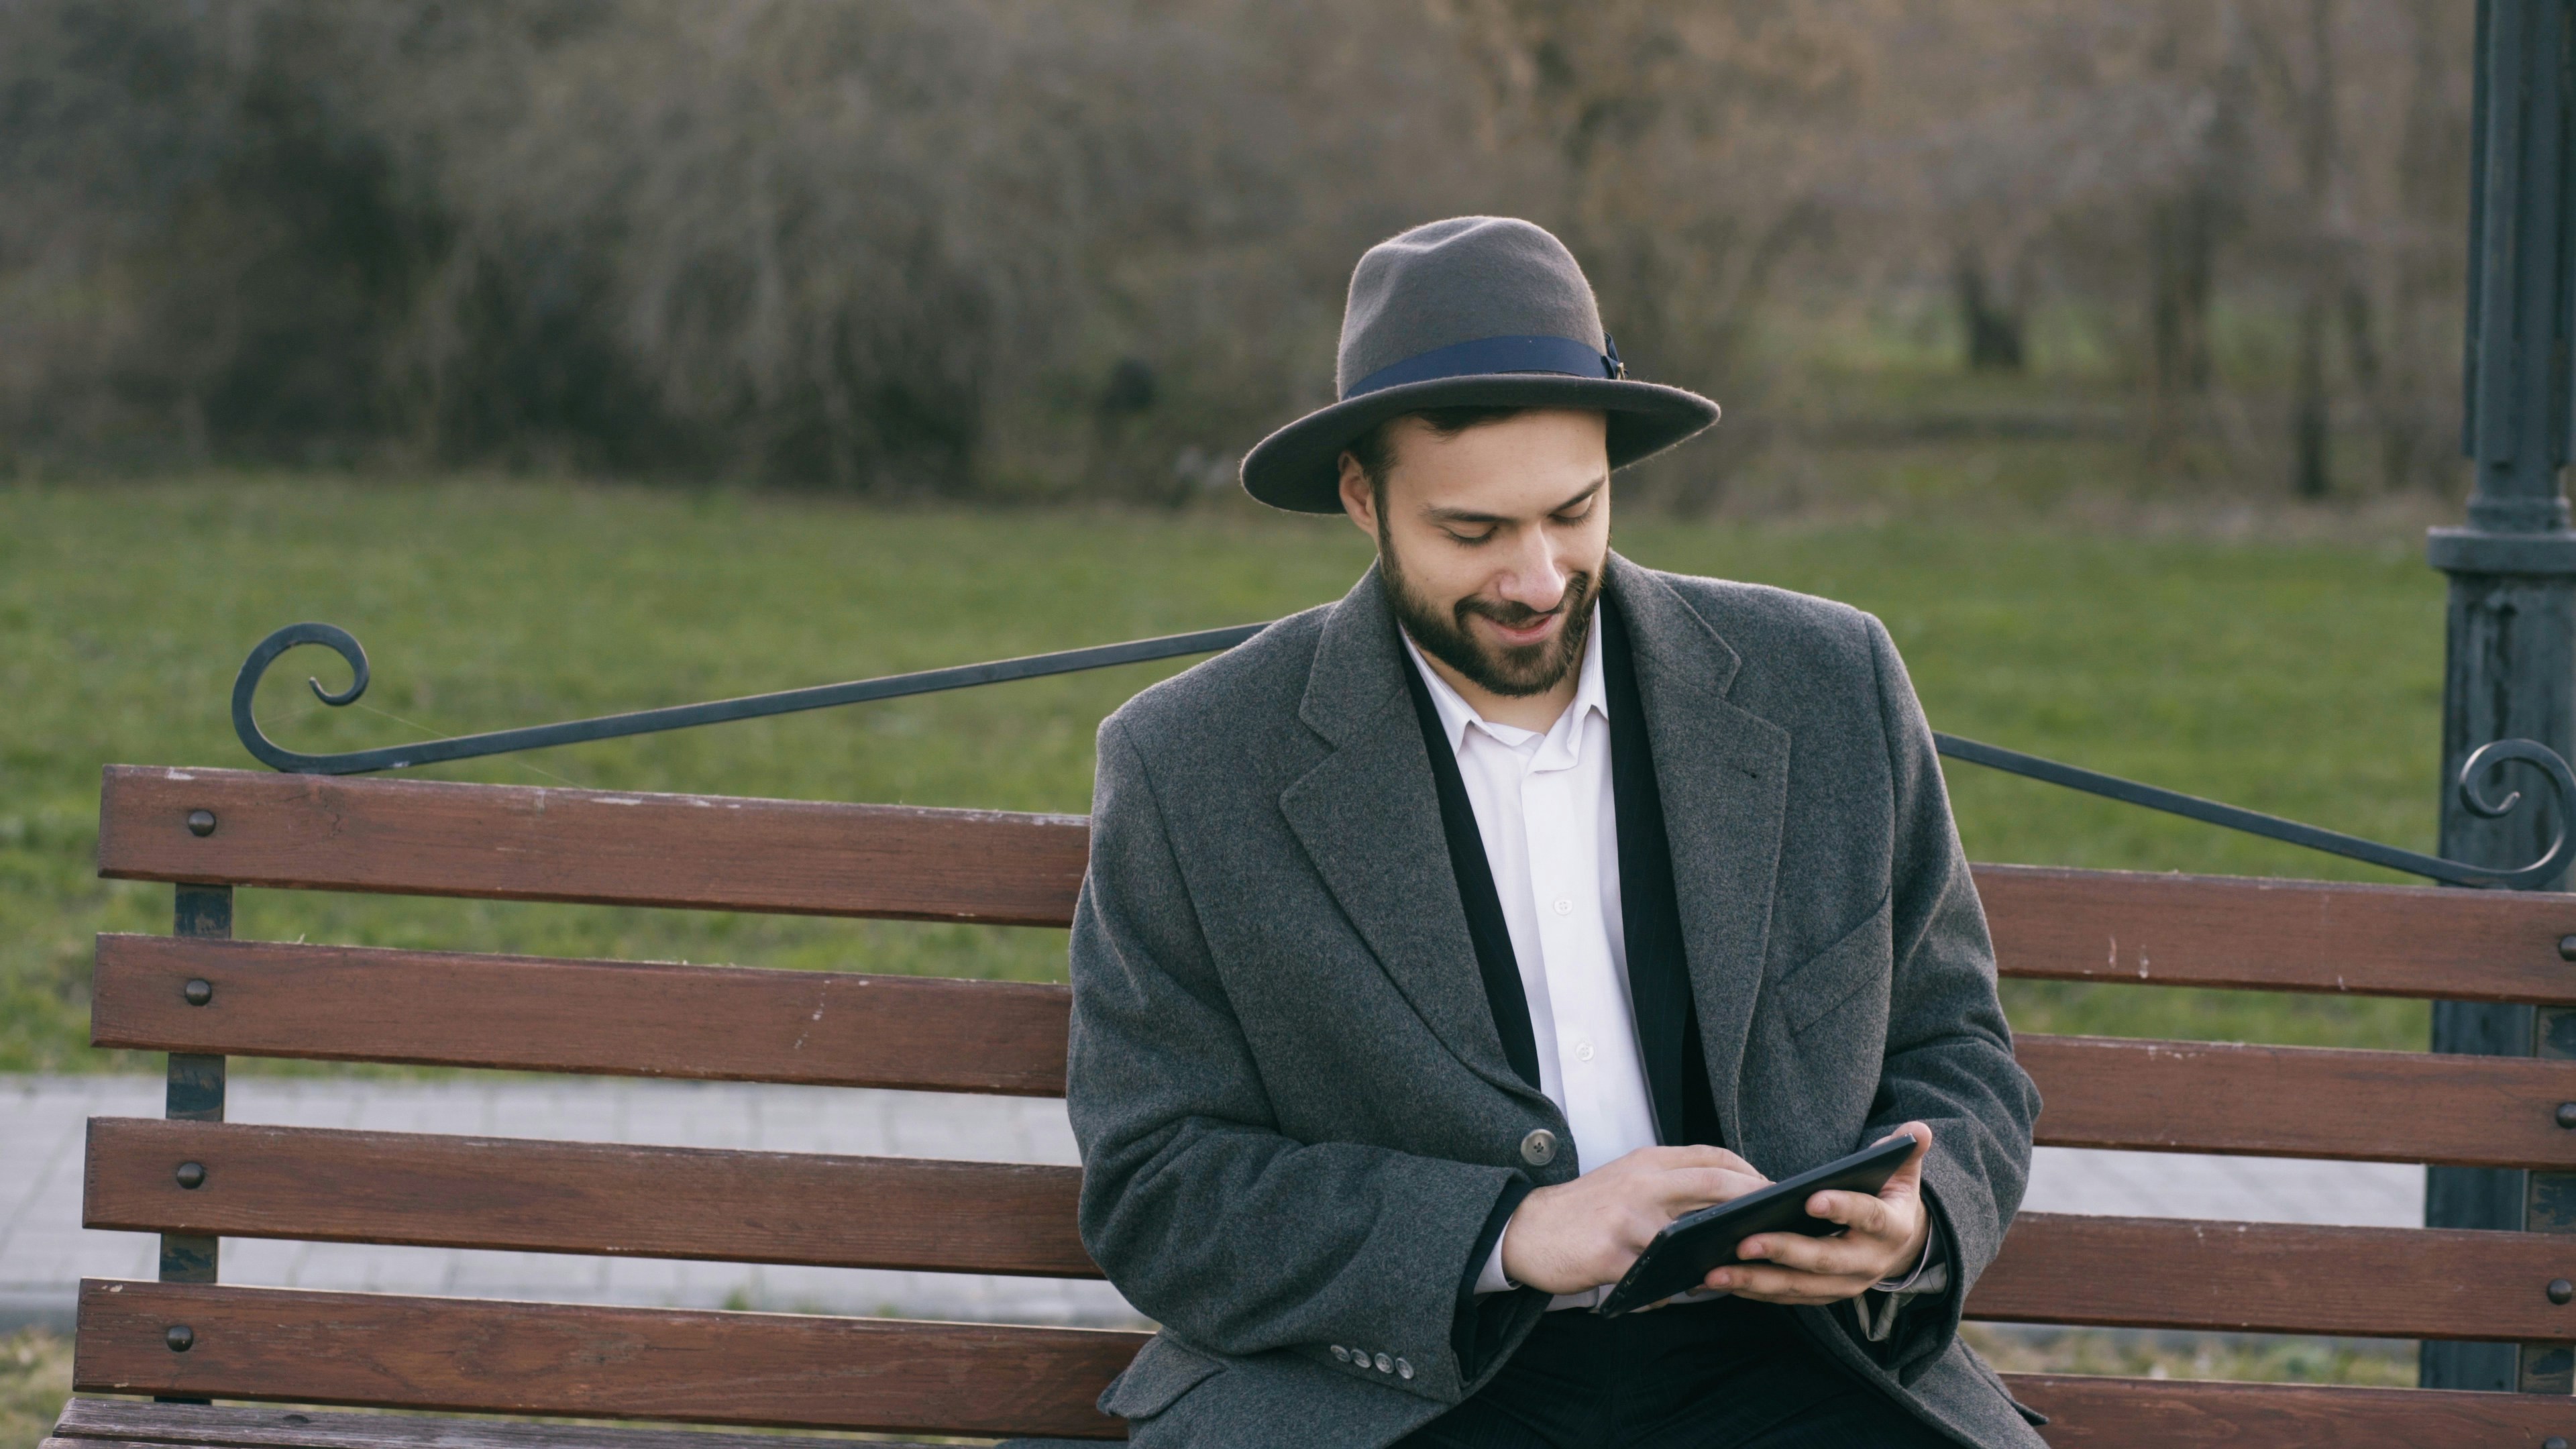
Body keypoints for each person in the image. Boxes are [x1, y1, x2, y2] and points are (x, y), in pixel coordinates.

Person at [1063, 216, 2045, 1448]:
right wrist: (1503, 1234)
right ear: (1363, 498)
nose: (1536, 577)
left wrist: (1917, 1224)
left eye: (1574, 512)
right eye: (1471, 533)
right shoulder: (1191, 761)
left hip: (1795, 1368)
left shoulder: (1830, 679)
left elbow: (1956, 1048)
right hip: (1399, 1386)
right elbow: (1161, 1189)